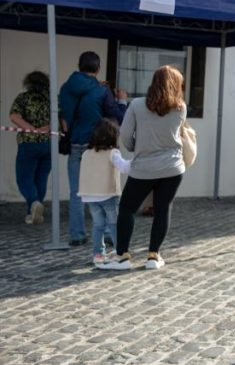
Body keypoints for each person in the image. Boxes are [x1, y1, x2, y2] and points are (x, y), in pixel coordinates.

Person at [99, 66, 186, 271]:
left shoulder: (137, 105)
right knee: (162, 210)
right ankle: (153, 257)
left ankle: (122, 257)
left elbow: (126, 136)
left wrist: (137, 147)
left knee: (127, 209)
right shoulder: (181, 107)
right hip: (173, 168)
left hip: (144, 167)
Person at [60, 51, 128, 246]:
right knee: (103, 189)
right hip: (98, 147)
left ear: (79, 66)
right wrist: (122, 100)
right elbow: (117, 115)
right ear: (98, 69)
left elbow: (62, 113)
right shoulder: (101, 90)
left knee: (76, 191)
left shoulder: (66, 88)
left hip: (75, 143)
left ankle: (77, 235)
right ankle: (107, 232)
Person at [78, 119, 131, 266]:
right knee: (114, 224)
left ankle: (98, 254)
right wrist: (137, 161)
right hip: (108, 194)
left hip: (89, 195)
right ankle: (119, 251)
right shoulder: (113, 153)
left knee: (98, 225)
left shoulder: (86, 153)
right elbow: (125, 168)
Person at [9, 71, 52, 225]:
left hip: (28, 143)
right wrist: (45, 128)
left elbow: (14, 117)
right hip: (48, 144)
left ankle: (34, 203)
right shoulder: (52, 99)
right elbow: (60, 120)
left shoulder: (23, 98)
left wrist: (31, 128)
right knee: (41, 178)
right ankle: (34, 214)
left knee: (24, 179)